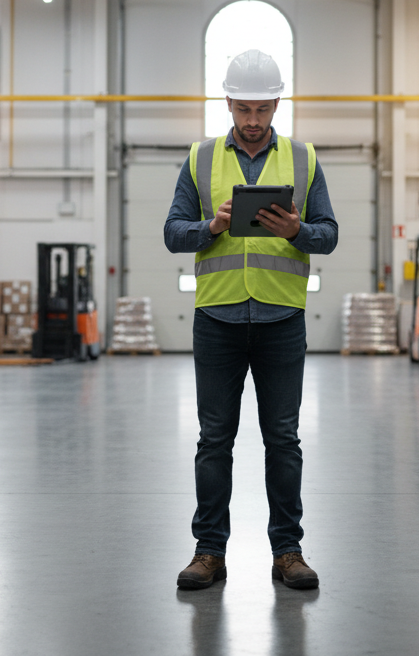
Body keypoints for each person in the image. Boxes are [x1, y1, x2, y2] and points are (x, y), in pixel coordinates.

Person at [164, 49, 338, 591]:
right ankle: (209, 552)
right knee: (214, 440)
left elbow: (329, 233)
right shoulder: (200, 158)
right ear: (228, 104)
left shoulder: (304, 159)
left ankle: (288, 551)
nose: (254, 121)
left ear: (278, 104)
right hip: (216, 318)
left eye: (264, 109)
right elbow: (172, 233)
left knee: (283, 440)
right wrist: (209, 227)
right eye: (244, 109)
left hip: (281, 319)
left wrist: (297, 233)